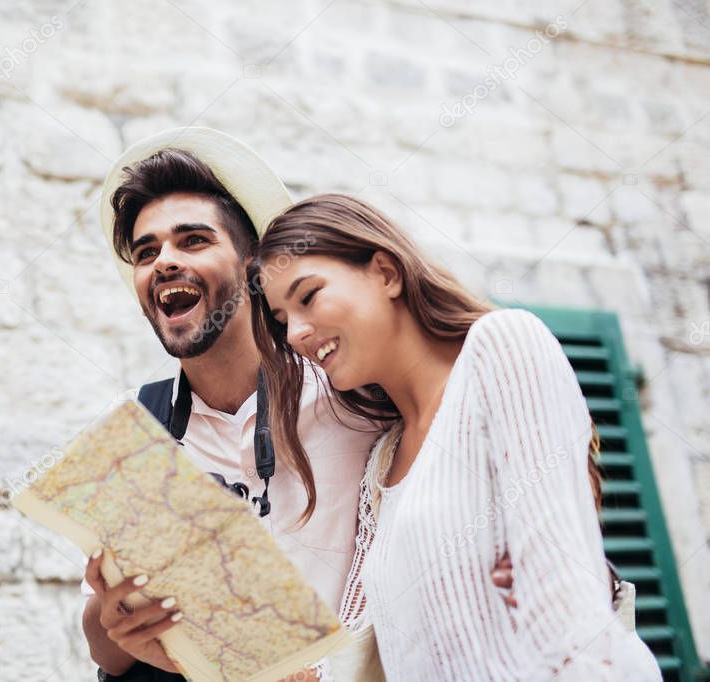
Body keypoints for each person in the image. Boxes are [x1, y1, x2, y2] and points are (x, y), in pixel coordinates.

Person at [81, 129, 531, 681]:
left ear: (253, 267)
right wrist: (112, 622)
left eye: (192, 240)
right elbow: (104, 651)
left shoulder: (351, 384)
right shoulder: (133, 431)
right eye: (146, 252)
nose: (163, 262)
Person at [249, 193, 660, 680]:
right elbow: (366, 650)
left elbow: (570, 614)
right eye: (281, 320)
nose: (295, 333)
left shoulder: (501, 347)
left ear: (386, 272)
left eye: (309, 296)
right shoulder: (382, 463)